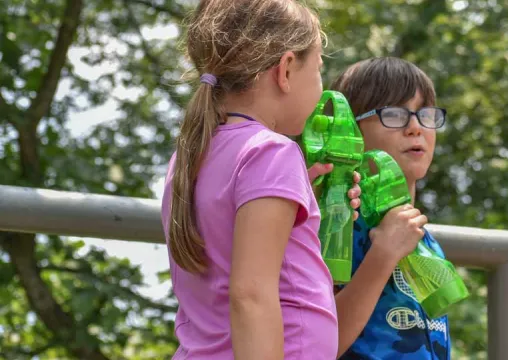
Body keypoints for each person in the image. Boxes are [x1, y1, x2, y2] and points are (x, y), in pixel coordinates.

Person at [160, 0, 359, 358]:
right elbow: (250, 296)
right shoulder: (272, 152)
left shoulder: (190, 155)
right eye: (317, 71)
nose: (320, 86)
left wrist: (299, 199)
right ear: (285, 70)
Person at [328, 57, 450, 359]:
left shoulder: (425, 239)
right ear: (349, 130)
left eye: (425, 115)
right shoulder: (337, 225)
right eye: (394, 114)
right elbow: (319, 345)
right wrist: (382, 254)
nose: (414, 127)